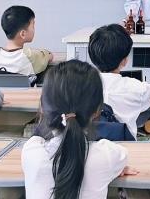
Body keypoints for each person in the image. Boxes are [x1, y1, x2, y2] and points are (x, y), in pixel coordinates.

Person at [22, 60, 137, 199]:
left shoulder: (31, 151)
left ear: (43, 107)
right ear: (97, 110)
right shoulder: (107, 154)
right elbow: (122, 157)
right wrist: (114, 169)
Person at [88, 24, 150, 137]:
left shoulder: (82, 87)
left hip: (90, 145)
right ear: (124, 61)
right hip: (125, 146)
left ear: (93, 58)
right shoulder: (136, 88)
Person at [0, 5, 54, 77]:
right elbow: (49, 56)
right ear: (23, 34)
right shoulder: (30, 55)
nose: (34, 29)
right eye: (33, 26)